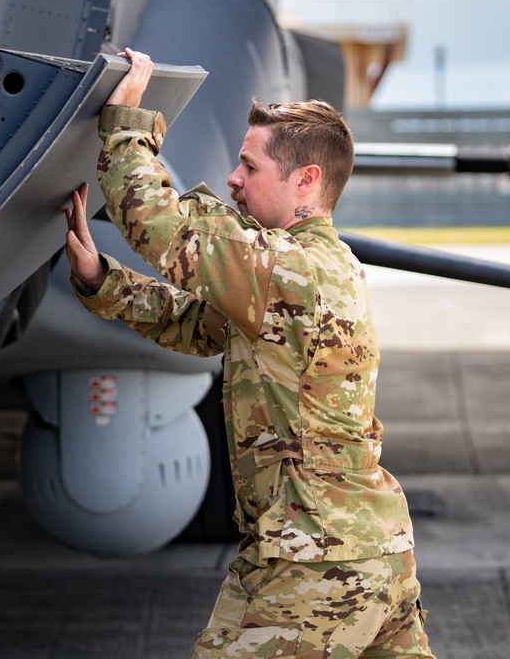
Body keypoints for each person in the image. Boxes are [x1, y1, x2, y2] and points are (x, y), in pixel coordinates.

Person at [65, 48, 436, 659]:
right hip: (357, 552)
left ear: (306, 182)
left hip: (316, 565)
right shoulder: (319, 268)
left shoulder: (287, 269)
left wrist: (126, 123)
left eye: (250, 165)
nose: (233, 179)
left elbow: (162, 227)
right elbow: (198, 327)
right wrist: (102, 280)